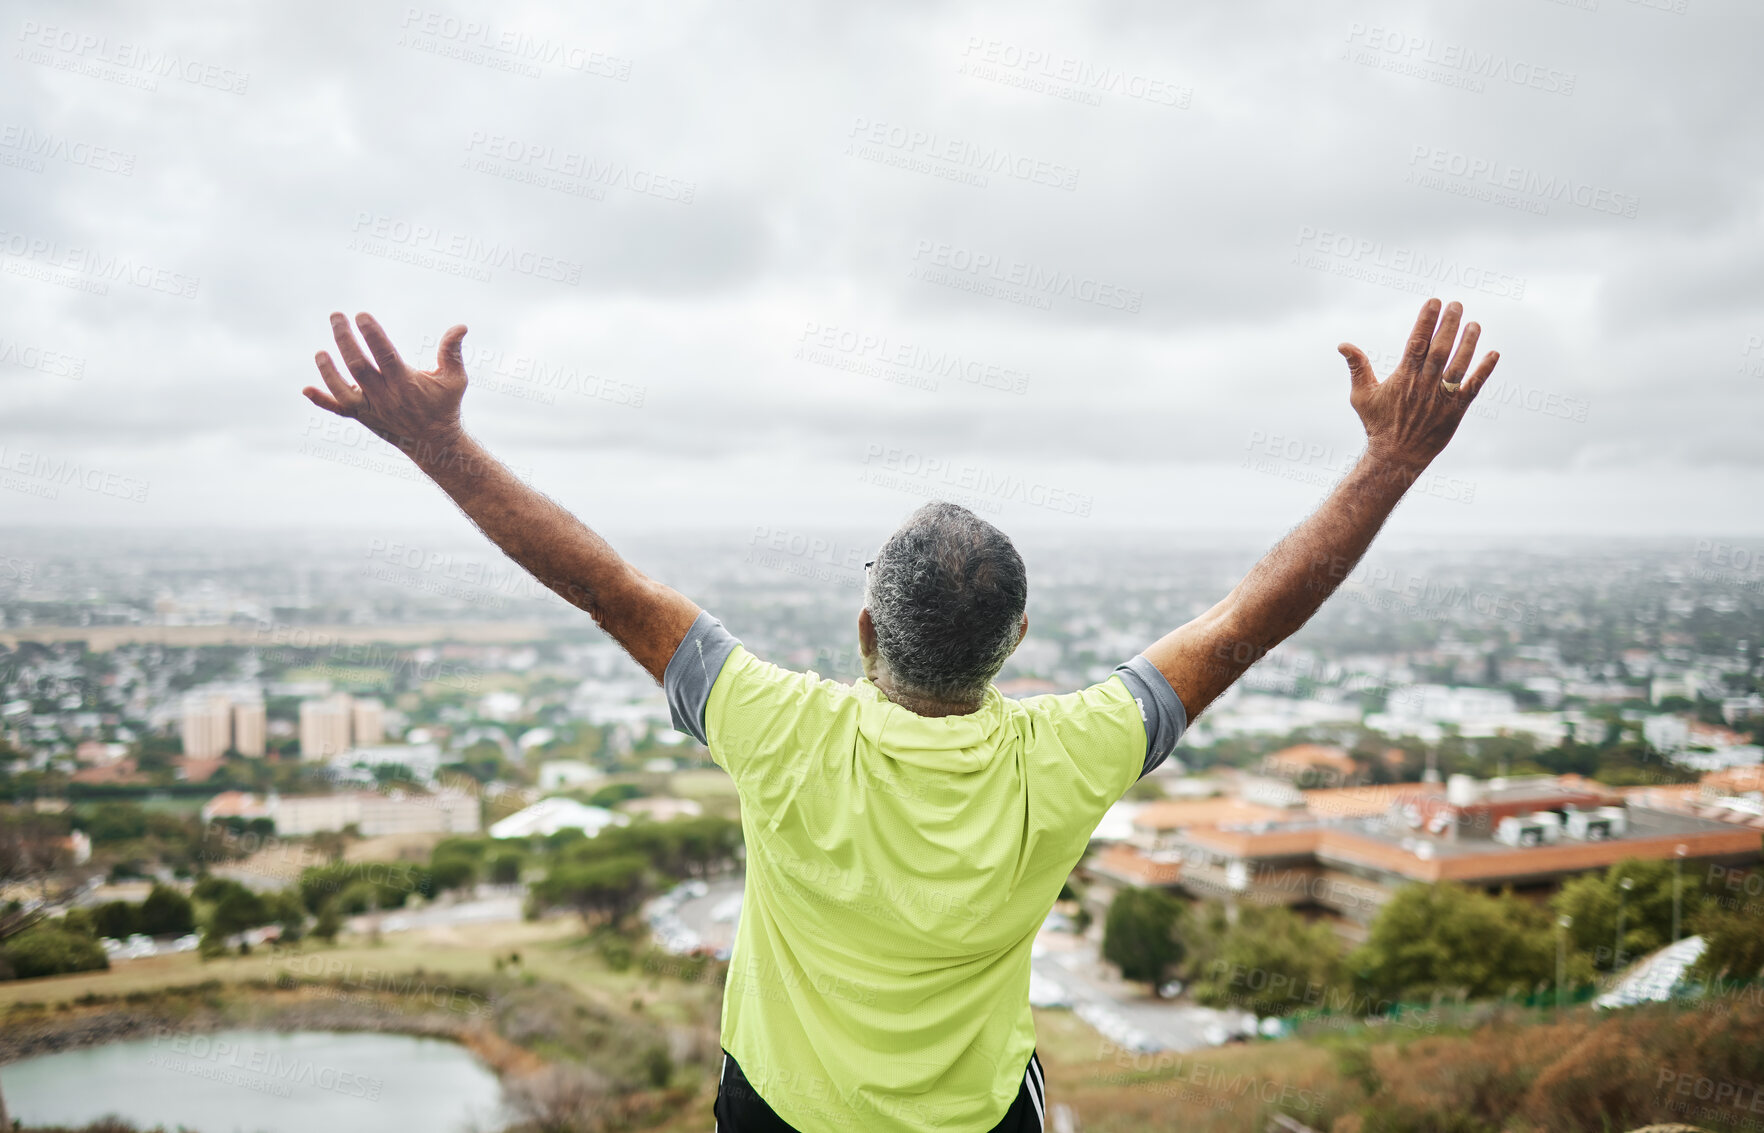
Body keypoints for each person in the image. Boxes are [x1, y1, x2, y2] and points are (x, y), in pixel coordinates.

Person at [303, 298, 1498, 1132]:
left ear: (867, 633)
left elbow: (607, 587)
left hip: (778, 1113)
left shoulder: (780, 727)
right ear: (1016, 641)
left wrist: (435, 443)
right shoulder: (1071, 754)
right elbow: (1248, 620)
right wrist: (1393, 458)